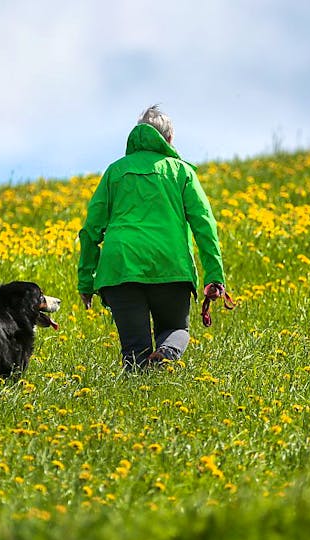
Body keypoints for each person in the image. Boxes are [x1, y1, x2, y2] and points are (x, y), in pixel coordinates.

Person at [77, 105, 226, 370]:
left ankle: (138, 394)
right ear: (169, 140)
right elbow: (205, 226)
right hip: (170, 267)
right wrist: (214, 277)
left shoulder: (115, 171)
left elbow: (91, 230)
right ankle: (167, 353)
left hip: (121, 268)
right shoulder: (182, 172)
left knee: (135, 354)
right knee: (176, 329)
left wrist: (86, 281)